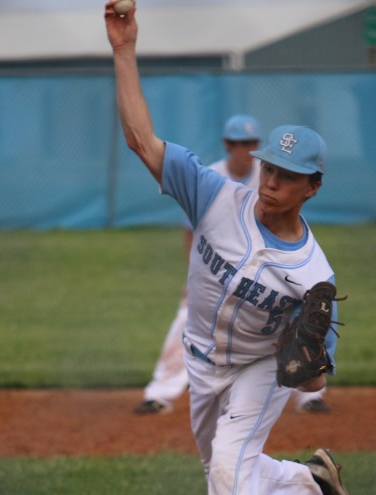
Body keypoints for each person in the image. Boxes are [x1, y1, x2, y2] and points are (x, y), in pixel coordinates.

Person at [105, 0, 364, 495]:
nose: (271, 181)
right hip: (201, 360)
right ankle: (312, 486)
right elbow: (141, 140)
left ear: (312, 187)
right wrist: (124, 50)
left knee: (228, 467)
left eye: (288, 176)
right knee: (229, 472)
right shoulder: (215, 194)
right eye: (269, 168)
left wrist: (308, 364)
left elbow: (313, 381)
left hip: (257, 370)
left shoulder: (312, 276)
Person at [133, 115, 331, 416]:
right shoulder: (215, 177)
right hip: (217, 272)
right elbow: (192, 230)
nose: (245, 149)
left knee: (298, 328)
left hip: (268, 272)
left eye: (251, 142)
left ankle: (310, 396)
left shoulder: (272, 173)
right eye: (239, 143)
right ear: (228, 145)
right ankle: (160, 392)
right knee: (186, 321)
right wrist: (191, 278)